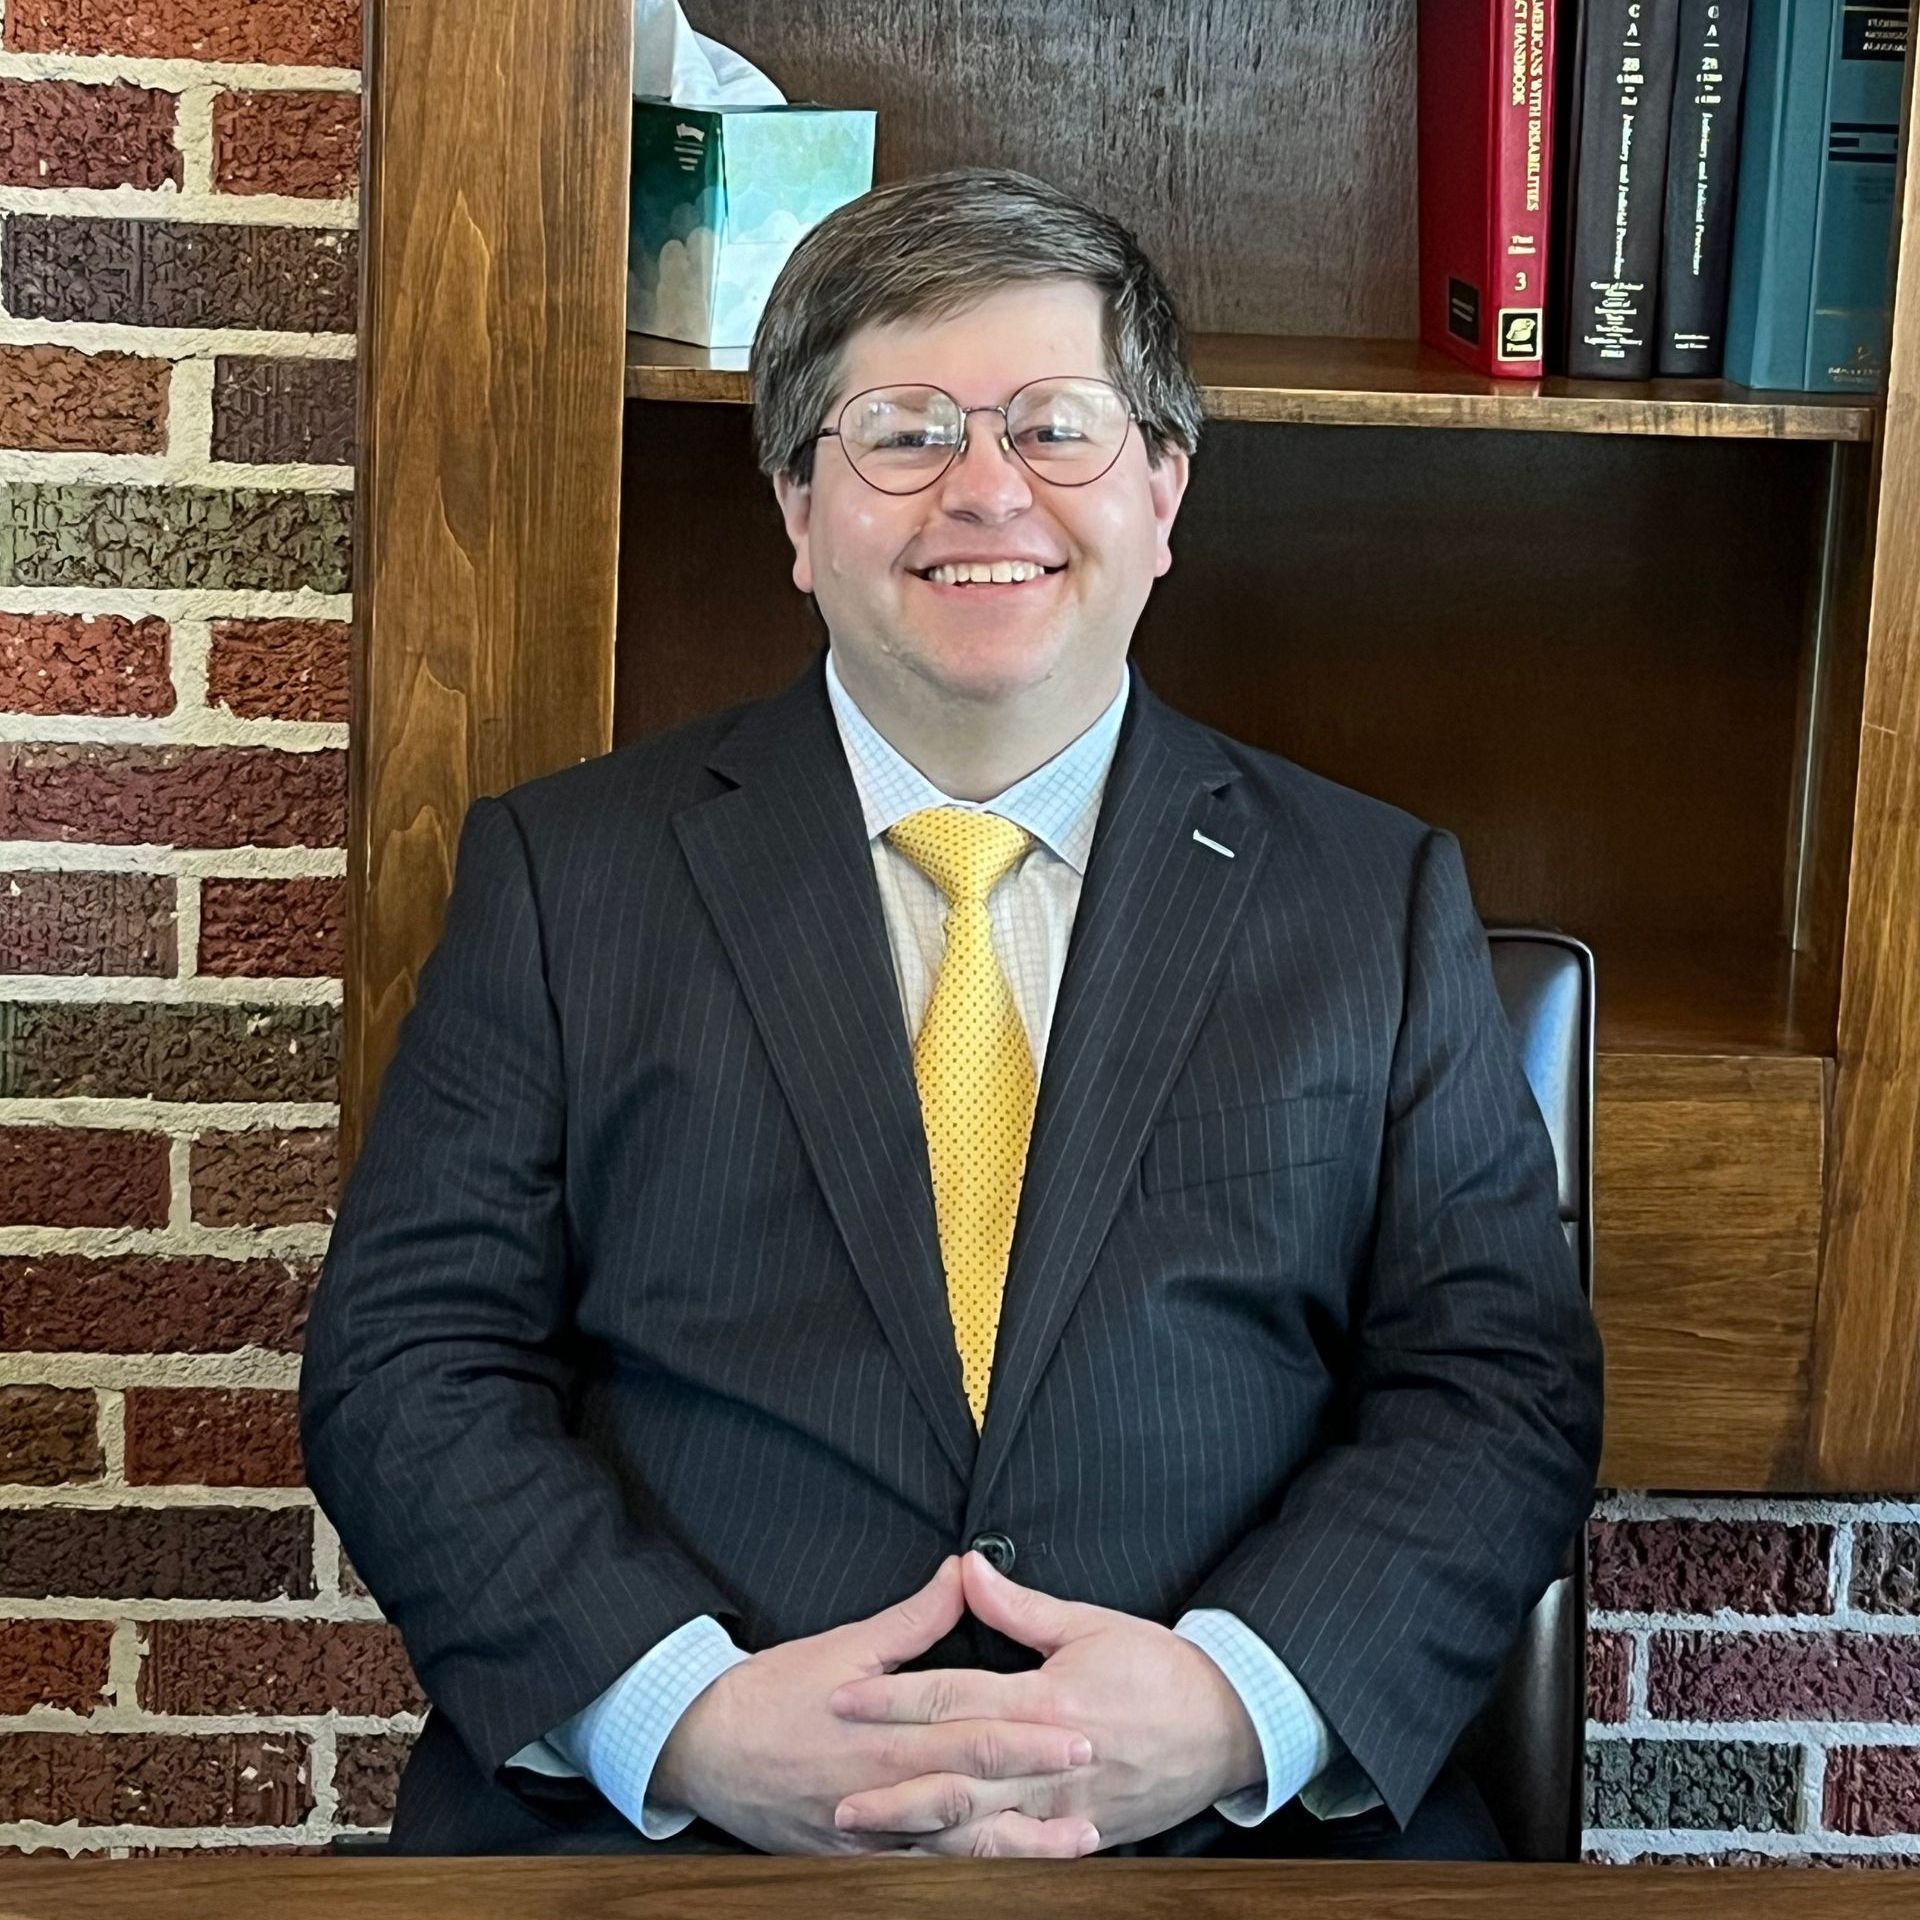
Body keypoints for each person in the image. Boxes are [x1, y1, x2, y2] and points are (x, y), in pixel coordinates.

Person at [299, 166, 1604, 1862]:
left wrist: (1230, 1708)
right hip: (676, 1845)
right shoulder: (565, 879)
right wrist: (680, 1720)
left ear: (1161, 488)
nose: (987, 492)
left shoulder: (1372, 898)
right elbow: (407, 1364)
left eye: (1059, 427)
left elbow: (1497, 1383)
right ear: (795, 507)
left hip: (1222, 1846)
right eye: (903, 431)